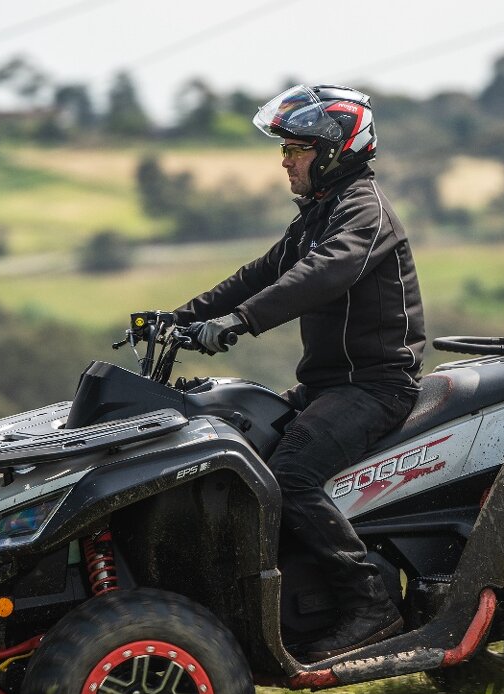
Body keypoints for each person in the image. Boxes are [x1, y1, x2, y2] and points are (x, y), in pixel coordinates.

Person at [174, 84, 425, 660]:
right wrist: (181, 317)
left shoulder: (363, 212)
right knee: (243, 442)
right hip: (329, 385)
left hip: (376, 387)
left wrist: (240, 322)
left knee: (290, 474)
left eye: (296, 149)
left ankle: (370, 606)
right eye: (284, 148)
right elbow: (259, 273)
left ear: (335, 152)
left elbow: (323, 273)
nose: (284, 161)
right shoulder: (319, 214)